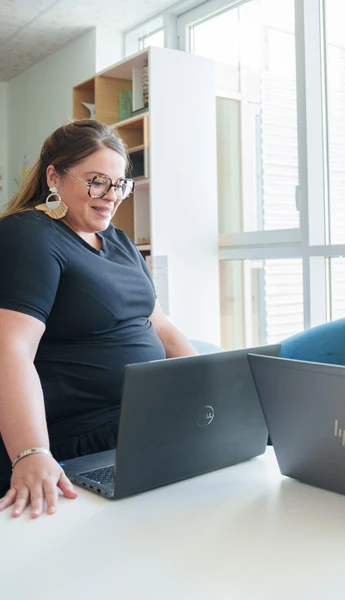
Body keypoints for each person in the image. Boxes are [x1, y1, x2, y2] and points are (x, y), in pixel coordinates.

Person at [0, 120, 198, 519]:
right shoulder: (30, 234)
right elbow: (11, 347)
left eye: (120, 184)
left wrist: (215, 389)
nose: (111, 196)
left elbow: (162, 328)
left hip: (150, 419)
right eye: (96, 182)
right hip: (88, 438)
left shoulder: (120, 242)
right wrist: (31, 453)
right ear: (53, 176)